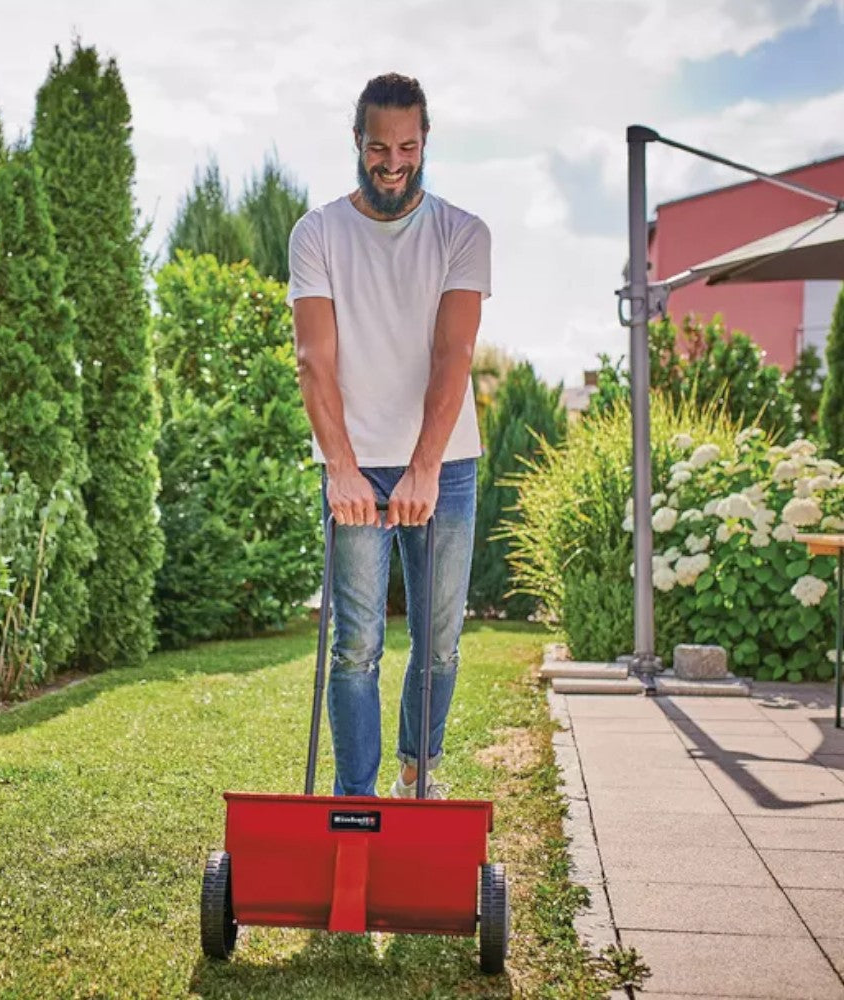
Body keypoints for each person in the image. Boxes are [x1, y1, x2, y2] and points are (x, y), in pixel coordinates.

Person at [287, 72, 490, 799]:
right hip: (354, 468)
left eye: (408, 146)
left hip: (445, 468)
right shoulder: (316, 234)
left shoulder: (462, 234)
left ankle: (417, 772)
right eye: (379, 147)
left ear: (425, 142)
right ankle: (355, 803)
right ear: (358, 143)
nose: (393, 162)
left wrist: (425, 467)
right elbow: (316, 359)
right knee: (356, 647)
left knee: (437, 643)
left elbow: (453, 356)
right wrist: (341, 469)